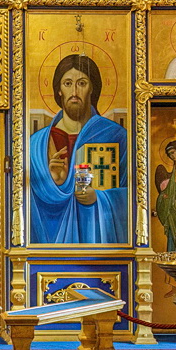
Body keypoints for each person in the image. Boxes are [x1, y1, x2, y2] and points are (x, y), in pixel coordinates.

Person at [29, 54, 128, 244]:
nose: (74, 92)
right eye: (67, 83)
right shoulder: (37, 145)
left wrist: (99, 198)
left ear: (93, 89)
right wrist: (52, 183)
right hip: (49, 256)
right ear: (59, 90)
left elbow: (134, 194)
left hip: (101, 251)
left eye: (81, 83)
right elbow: (25, 202)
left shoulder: (115, 135)